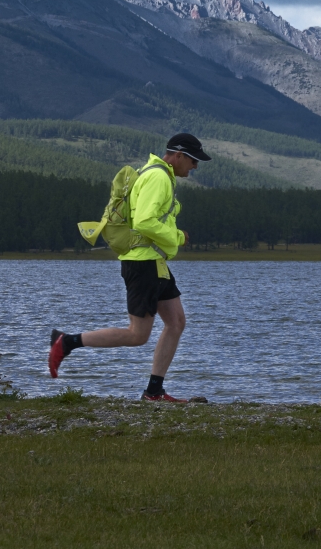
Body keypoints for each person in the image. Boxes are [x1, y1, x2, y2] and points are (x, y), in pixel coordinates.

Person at [48, 133, 211, 402]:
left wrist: (174, 235)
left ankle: (154, 392)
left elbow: (151, 219)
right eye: (193, 160)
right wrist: (177, 238)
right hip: (142, 263)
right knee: (137, 335)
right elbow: (146, 222)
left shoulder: (157, 174)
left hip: (152, 261)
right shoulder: (158, 177)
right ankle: (66, 342)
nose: (195, 167)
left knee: (176, 322)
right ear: (179, 155)